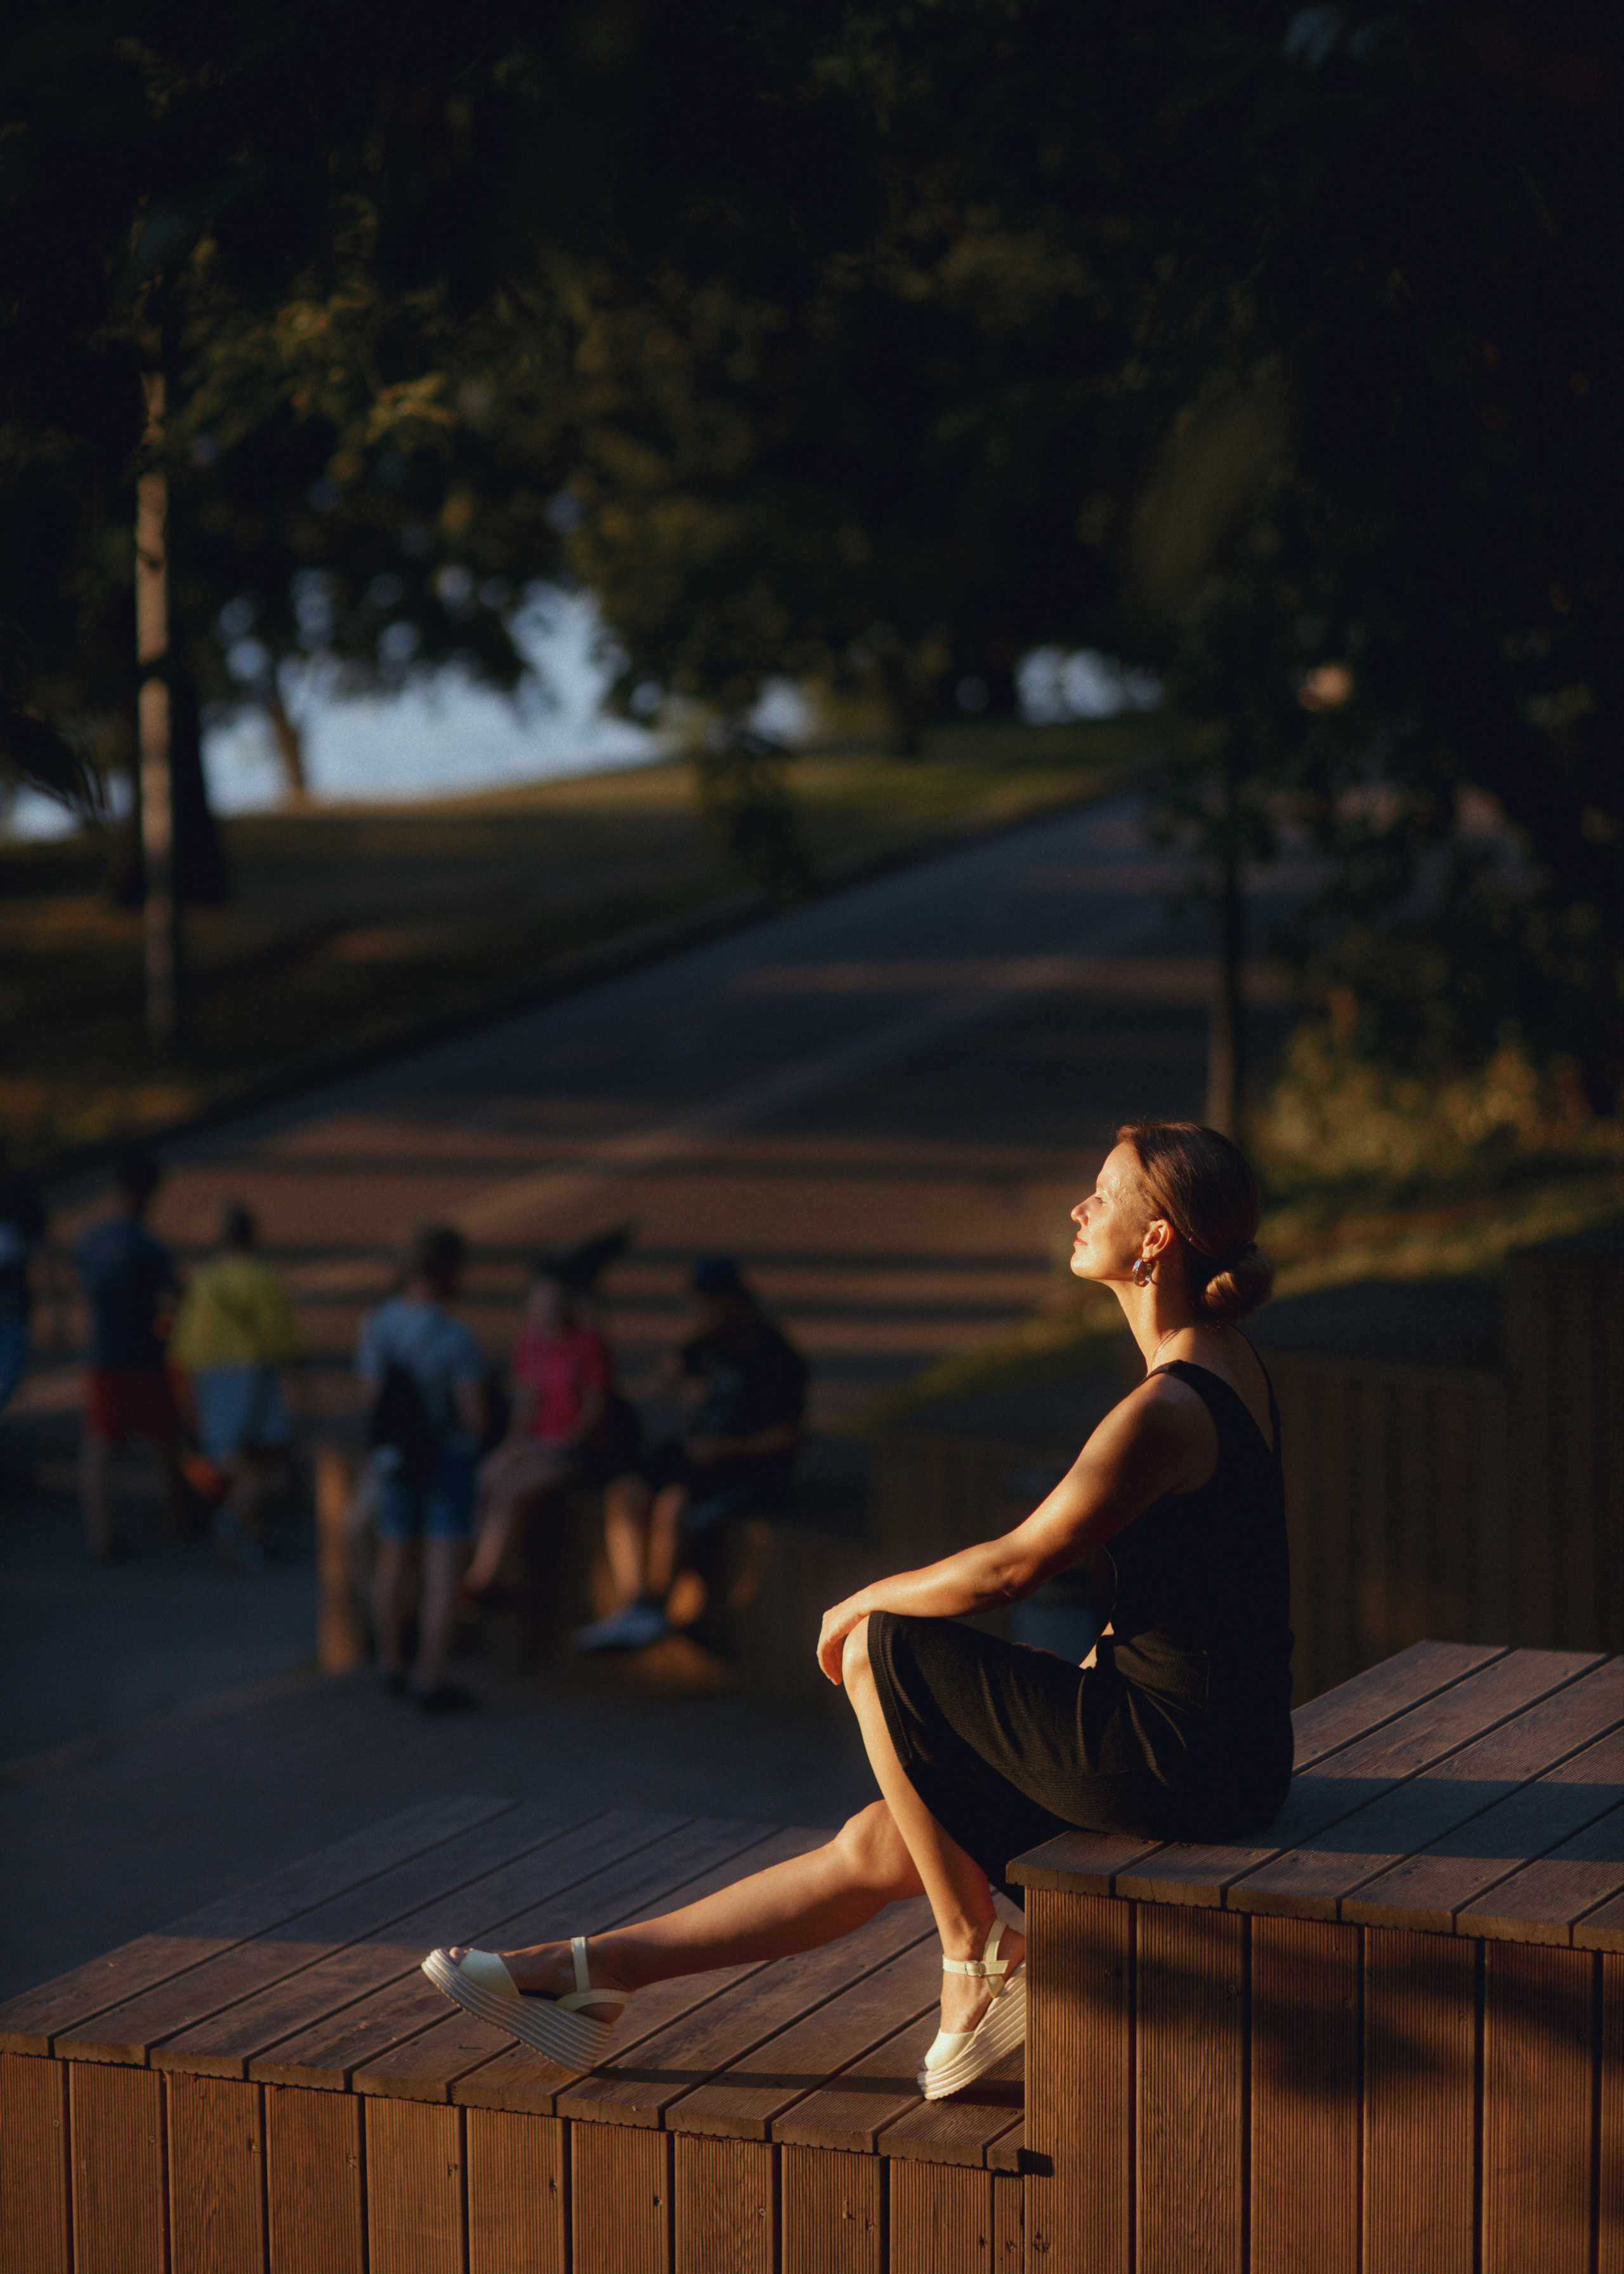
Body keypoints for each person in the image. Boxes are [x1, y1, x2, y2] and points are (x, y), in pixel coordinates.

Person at [423, 1120, 1293, 2101]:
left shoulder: (1165, 1410)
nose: (1078, 1208)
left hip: (1176, 1765)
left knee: (885, 1645)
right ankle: (596, 1974)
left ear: (1156, 1239)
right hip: (1221, 1752)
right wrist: (1093, 1672)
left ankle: (976, 1957)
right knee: (886, 1838)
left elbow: (1012, 1570)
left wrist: (864, 1601)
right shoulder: (1227, 1364)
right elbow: (1212, 1584)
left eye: (1103, 1192)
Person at [575, 1256, 808, 1652]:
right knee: (626, 1490)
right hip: (698, 1458)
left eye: (705, 1305)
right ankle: (636, 1603)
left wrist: (727, 1447)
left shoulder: (774, 1355)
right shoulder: (705, 1346)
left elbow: (789, 1436)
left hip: (749, 1469)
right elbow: (661, 1379)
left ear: (734, 1302)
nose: (696, 1315)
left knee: (675, 1503)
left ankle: (656, 1611)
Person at [357, 1223, 487, 1711]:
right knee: (441, 1575)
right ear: (449, 1270)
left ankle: (389, 1663)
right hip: (445, 1459)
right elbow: (474, 1416)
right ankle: (430, 1679)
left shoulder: (378, 1322)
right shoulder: (456, 1336)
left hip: (396, 1459)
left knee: (393, 1562)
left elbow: (372, 1396)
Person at [463, 1256, 639, 1600]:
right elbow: (527, 1402)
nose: (550, 1309)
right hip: (539, 1443)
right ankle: (493, 1567)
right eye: (542, 1301)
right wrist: (514, 1444)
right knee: (488, 1475)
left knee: (511, 1490)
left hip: (579, 1449)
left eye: (557, 1300)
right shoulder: (530, 1342)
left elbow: (595, 1409)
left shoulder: (588, 1344)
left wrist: (558, 1444)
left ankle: (486, 1576)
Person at [167, 1203, 303, 1569]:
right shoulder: (261, 1277)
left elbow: (184, 1343)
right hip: (253, 1371)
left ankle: (251, 1536)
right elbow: (283, 1337)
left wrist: (187, 1395)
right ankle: (232, 1519)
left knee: (231, 1458)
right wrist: (297, 1386)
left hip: (210, 1373)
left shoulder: (204, 1279)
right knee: (262, 1459)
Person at [72, 1145, 183, 1558]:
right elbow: (175, 1297)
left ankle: (99, 1532)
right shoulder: (146, 1244)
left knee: (100, 1443)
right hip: (144, 1354)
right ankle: (176, 1515)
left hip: (103, 1351)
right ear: (144, 1192)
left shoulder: (88, 1238)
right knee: (165, 1438)